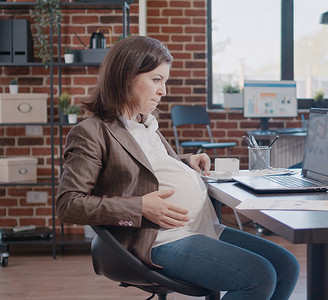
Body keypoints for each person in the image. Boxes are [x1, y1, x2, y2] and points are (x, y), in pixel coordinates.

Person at [56, 36, 299, 300]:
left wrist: (184, 162)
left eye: (165, 81)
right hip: (157, 239)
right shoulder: (91, 132)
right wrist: (140, 207)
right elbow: (68, 204)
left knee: (287, 266)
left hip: (201, 227)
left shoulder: (146, 123)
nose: (163, 91)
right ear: (126, 77)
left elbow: (145, 165)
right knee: (258, 276)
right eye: (156, 80)